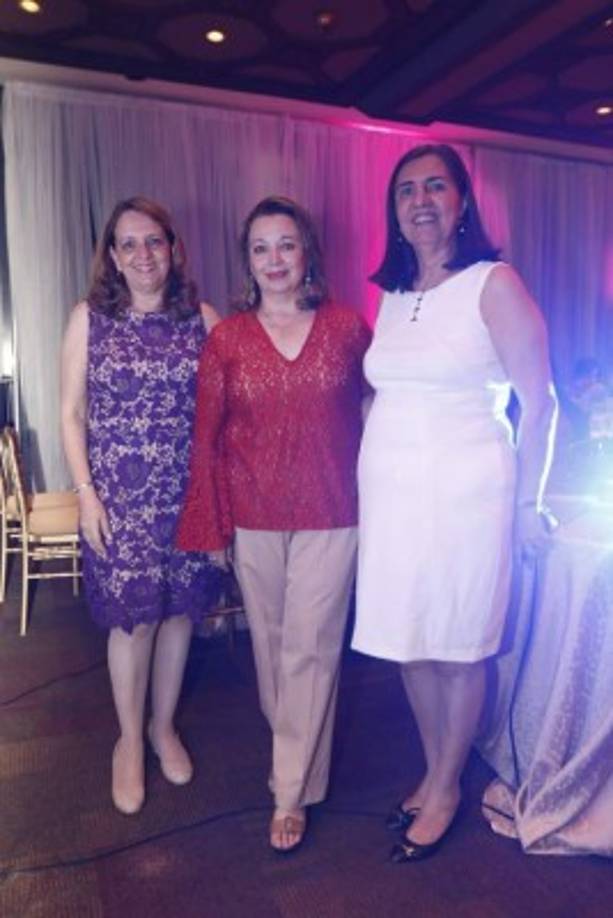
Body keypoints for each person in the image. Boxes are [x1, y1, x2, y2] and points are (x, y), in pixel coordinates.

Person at [351, 144, 557, 862]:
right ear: (395, 212)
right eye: (406, 190)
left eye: (435, 185)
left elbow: (541, 403)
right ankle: (435, 767)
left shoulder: (492, 283)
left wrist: (529, 505)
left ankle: (443, 785)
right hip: (393, 501)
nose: (420, 199)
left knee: (459, 644)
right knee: (411, 642)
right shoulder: (394, 295)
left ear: (461, 202)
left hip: (467, 495)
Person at [177, 196, 371, 853]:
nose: (275, 259)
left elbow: (376, 416)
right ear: (247, 262)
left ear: (306, 252)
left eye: (286, 244)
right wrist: (211, 526)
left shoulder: (347, 326)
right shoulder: (226, 337)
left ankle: (286, 793)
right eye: (261, 248)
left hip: (331, 510)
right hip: (251, 515)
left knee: (311, 647)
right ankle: (303, 772)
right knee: (272, 648)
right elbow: (205, 439)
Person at [61, 197, 222, 815]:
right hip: (119, 502)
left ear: (173, 247)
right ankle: (128, 741)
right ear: (112, 256)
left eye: (153, 240)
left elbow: (219, 414)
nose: (143, 254)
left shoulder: (201, 319)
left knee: (179, 614)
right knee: (134, 622)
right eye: (128, 244)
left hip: (186, 496)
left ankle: (163, 727)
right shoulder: (89, 319)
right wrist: (85, 494)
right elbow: (71, 414)